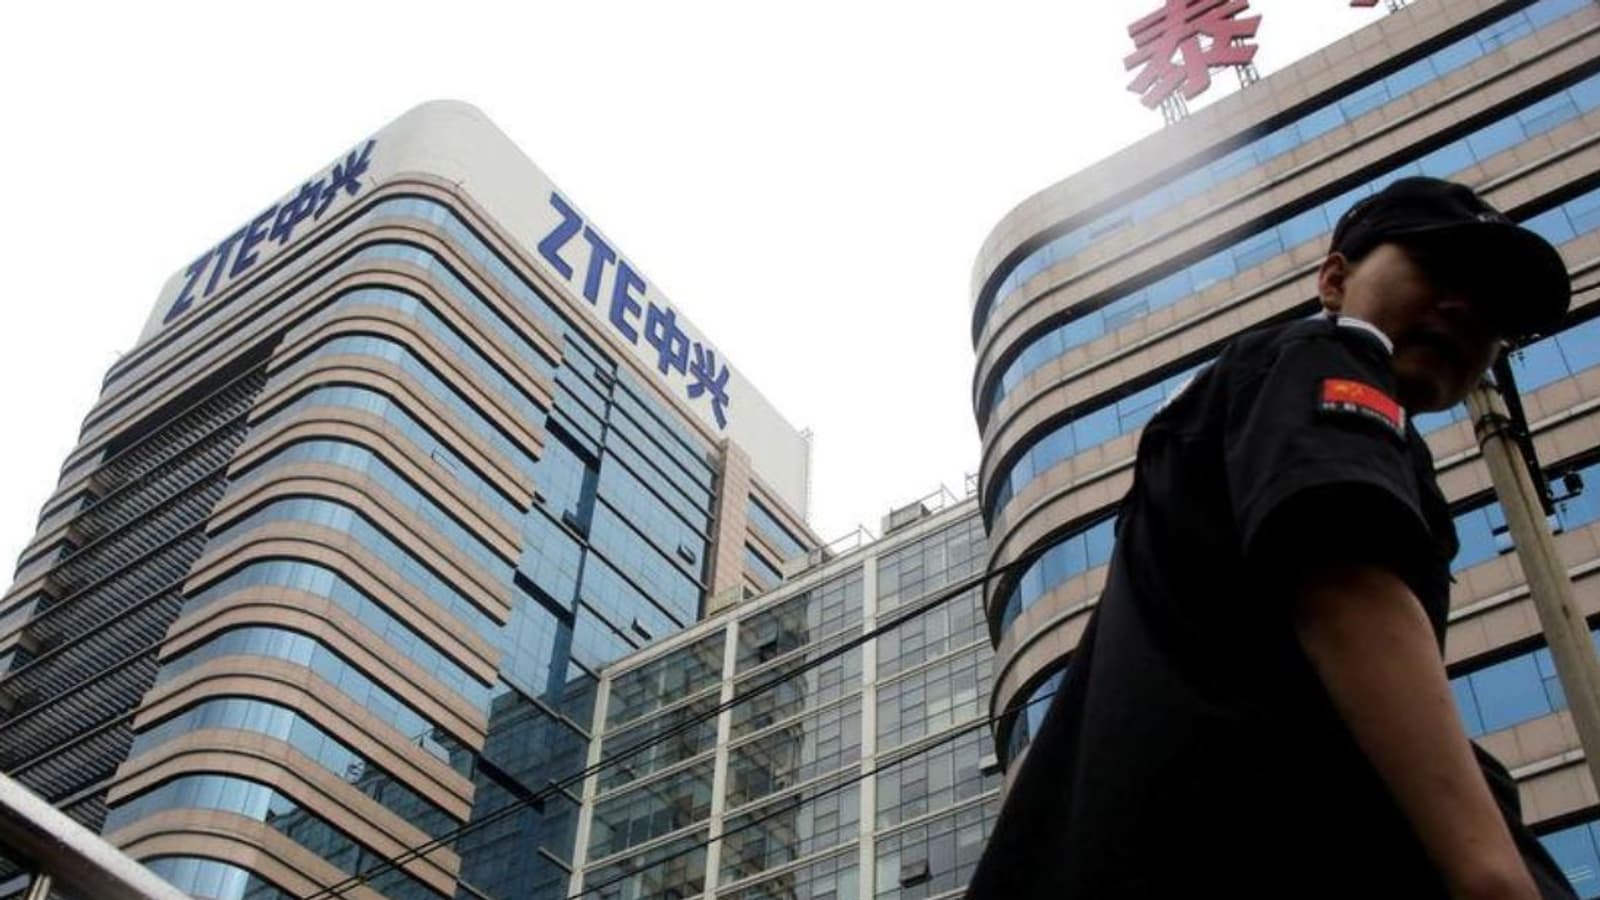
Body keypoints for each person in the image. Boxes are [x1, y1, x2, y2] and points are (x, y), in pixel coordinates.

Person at [967, 176, 1578, 899]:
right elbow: (1343, 582)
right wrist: (1495, 877)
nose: (1464, 306)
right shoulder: (1324, 356)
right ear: (1333, 280)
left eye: (1492, 305)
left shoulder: (1246, 411)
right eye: (1437, 268)